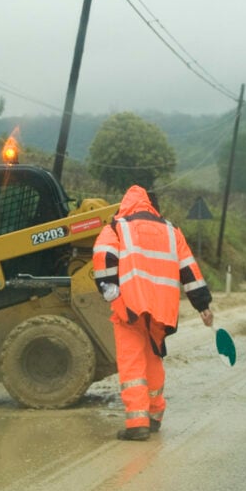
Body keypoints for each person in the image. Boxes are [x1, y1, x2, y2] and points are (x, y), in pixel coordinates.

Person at [93, 185, 214, 441]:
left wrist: (111, 293)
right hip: (162, 308)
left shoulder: (117, 227)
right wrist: (203, 305)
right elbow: (189, 271)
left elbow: (103, 257)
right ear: (151, 205)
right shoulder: (171, 231)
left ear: (126, 203)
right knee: (153, 359)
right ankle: (155, 416)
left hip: (130, 306)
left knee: (132, 361)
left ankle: (138, 424)